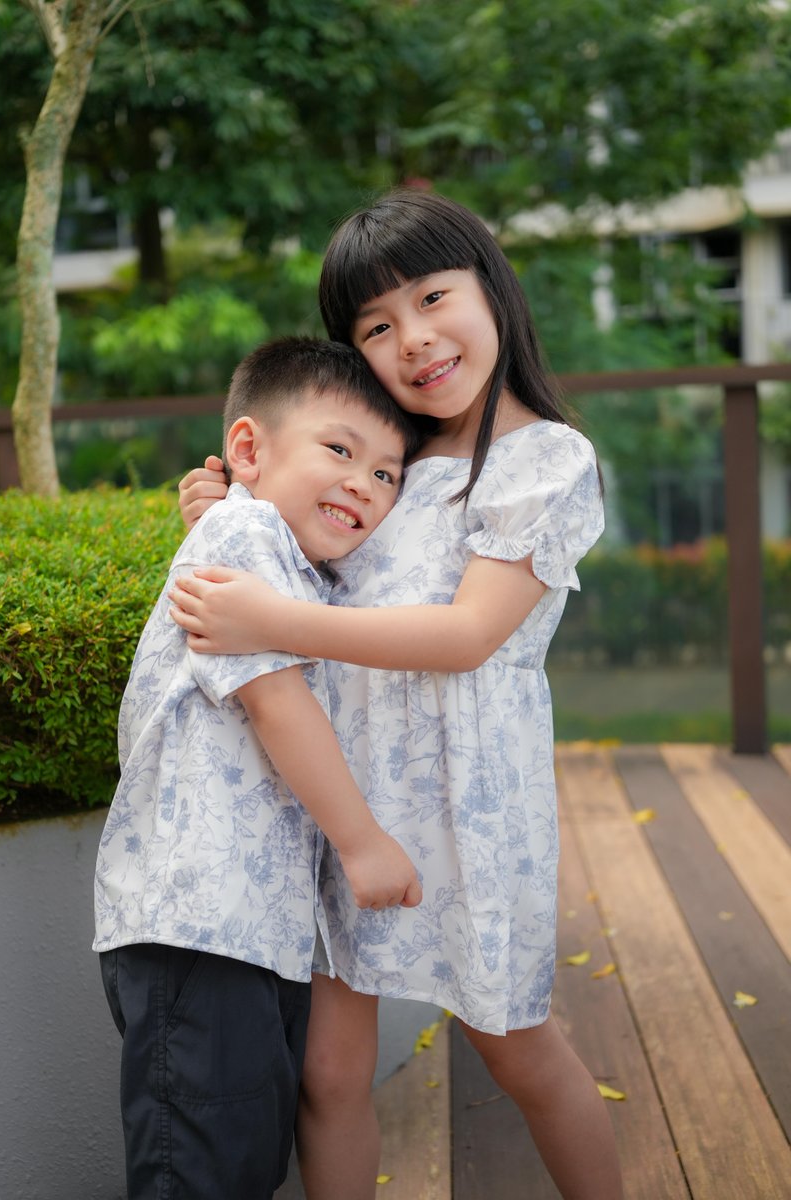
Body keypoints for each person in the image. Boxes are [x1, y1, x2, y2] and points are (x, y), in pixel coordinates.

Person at [172, 190, 623, 1199]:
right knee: (329, 1075)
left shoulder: (545, 460)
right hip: (350, 803)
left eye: (431, 298)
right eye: (375, 327)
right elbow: (309, 566)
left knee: (516, 1050)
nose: (412, 338)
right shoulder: (388, 461)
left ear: (491, 289)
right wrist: (236, 506)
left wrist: (269, 622)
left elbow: (464, 637)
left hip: (472, 811)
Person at [93, 336, 423, 1200]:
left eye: (387, 474)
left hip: (244, 930)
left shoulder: (288, 561)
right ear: (247, 448)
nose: (364, 482)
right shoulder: (244, 531)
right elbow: (277, 700)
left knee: (240, 1159)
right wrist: (362, 843)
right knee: (204, 1170)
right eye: (339, 449)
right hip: (198, 925)